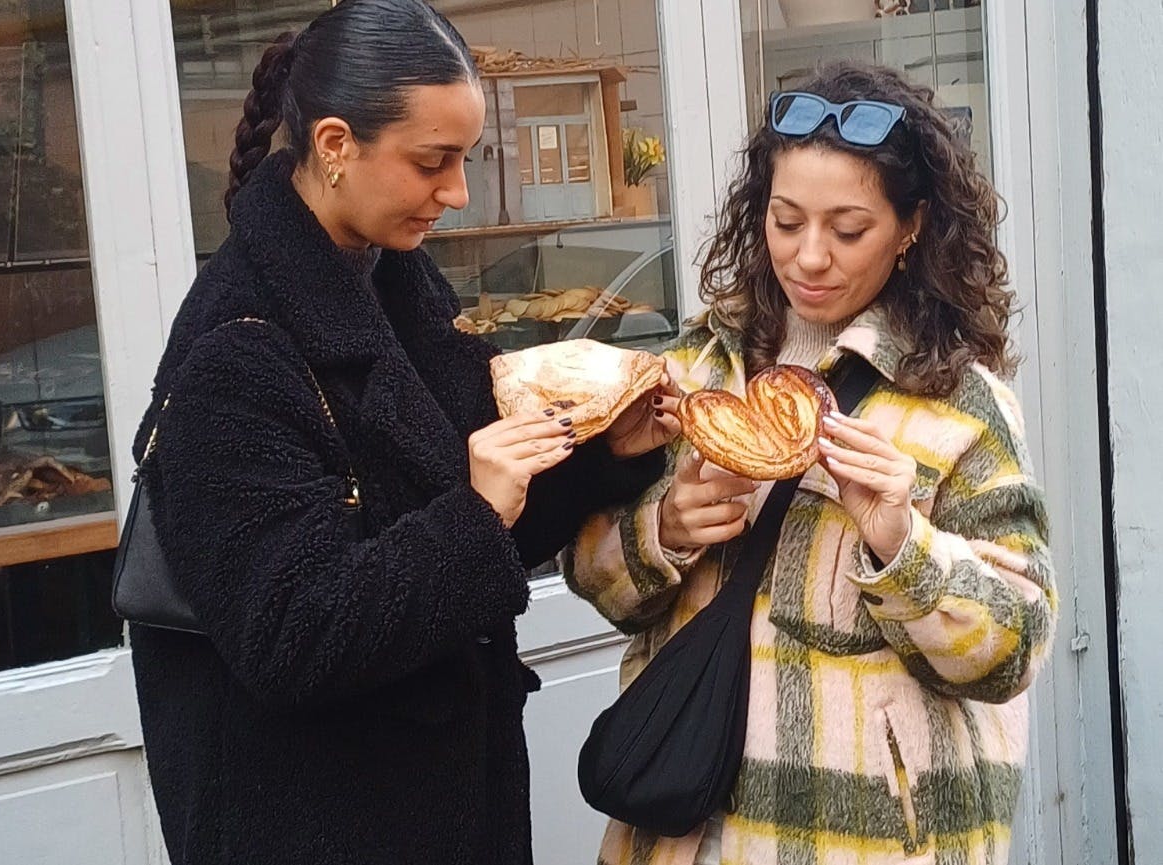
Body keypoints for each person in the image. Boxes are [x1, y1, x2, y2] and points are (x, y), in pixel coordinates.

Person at [127, 2, 680, 863]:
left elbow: (485, 523)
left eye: (465, 159)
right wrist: (475, 511)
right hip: (320, 821)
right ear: (337, 144)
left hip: (441, 805)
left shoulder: (398, 293)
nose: (456, 193)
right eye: (433, 162)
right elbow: (289, 635)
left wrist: (604, 455)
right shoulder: (237, 356)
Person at [565, 60, 1057, 865]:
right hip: (686, 823)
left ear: (912, 228)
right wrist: (663, 530)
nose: (811, 256)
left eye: (849, 228)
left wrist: (903, 546)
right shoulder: (697, 370)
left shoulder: (957, 403)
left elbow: (1015, 647)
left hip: (864, 834)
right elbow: (592, 575)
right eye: (786, 220)